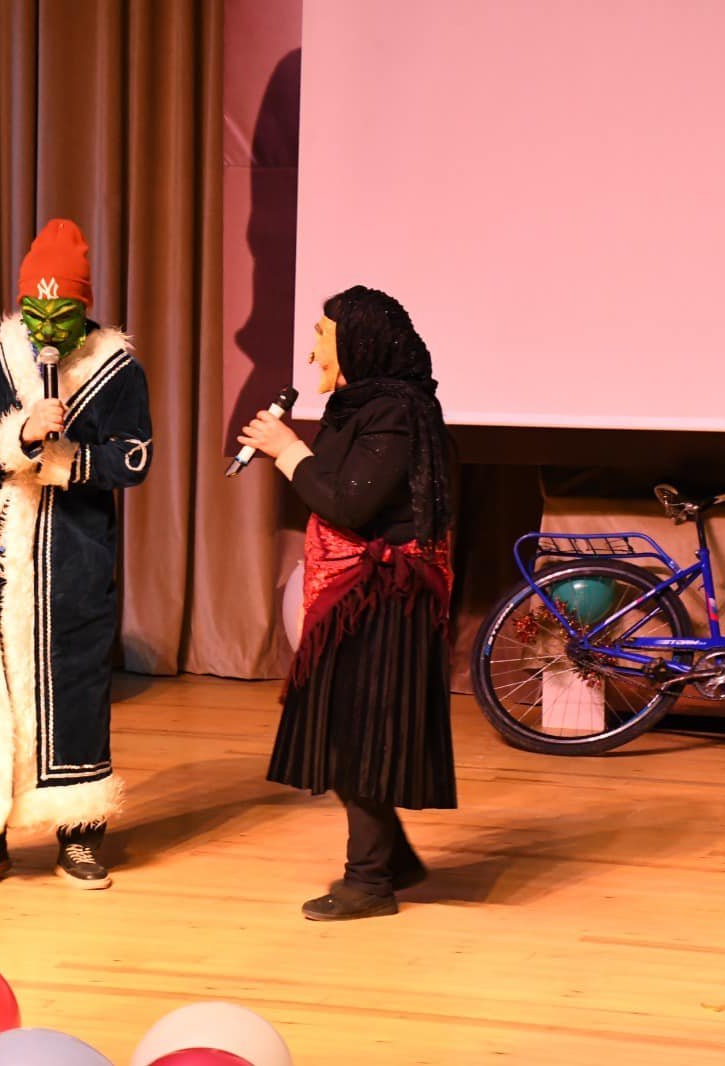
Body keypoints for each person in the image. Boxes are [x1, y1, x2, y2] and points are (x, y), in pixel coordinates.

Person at [0, 219, 153, 890]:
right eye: (35, 313)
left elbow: (135, 458)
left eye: (63, 314)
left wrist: (64, 455)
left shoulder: (117, 369)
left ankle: (79, 832)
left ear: (84, 306)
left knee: (77, 682)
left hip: (75, 558)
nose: (47, 328)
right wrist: (22, 430)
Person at [236, 284, 457, 920]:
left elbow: (350, 505)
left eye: (321, 337)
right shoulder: (356, 407)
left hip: (384, 597)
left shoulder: (396, 412)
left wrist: (288, 451)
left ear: (359, 342)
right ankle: (394, 861)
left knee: (360, 738)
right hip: (351, 597)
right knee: (338, 734)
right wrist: (292, 454)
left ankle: (369, 884)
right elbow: (333, 489)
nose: (312, 354)